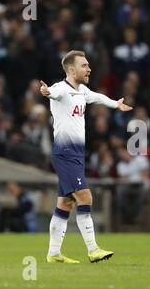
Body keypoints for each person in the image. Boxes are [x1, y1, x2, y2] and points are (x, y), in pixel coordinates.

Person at [39, 50, 132, 263]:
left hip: (77, 154)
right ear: (71, 69)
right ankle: (93, 249)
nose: (89, 69)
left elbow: (97, 97)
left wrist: (115, 104)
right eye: (84, 65)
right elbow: (51, 92)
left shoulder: (81, 90)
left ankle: (53, 254)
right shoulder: (61, 89)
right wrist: (46, 91)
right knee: (85, 197)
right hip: (65, 153)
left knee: (65, 204)